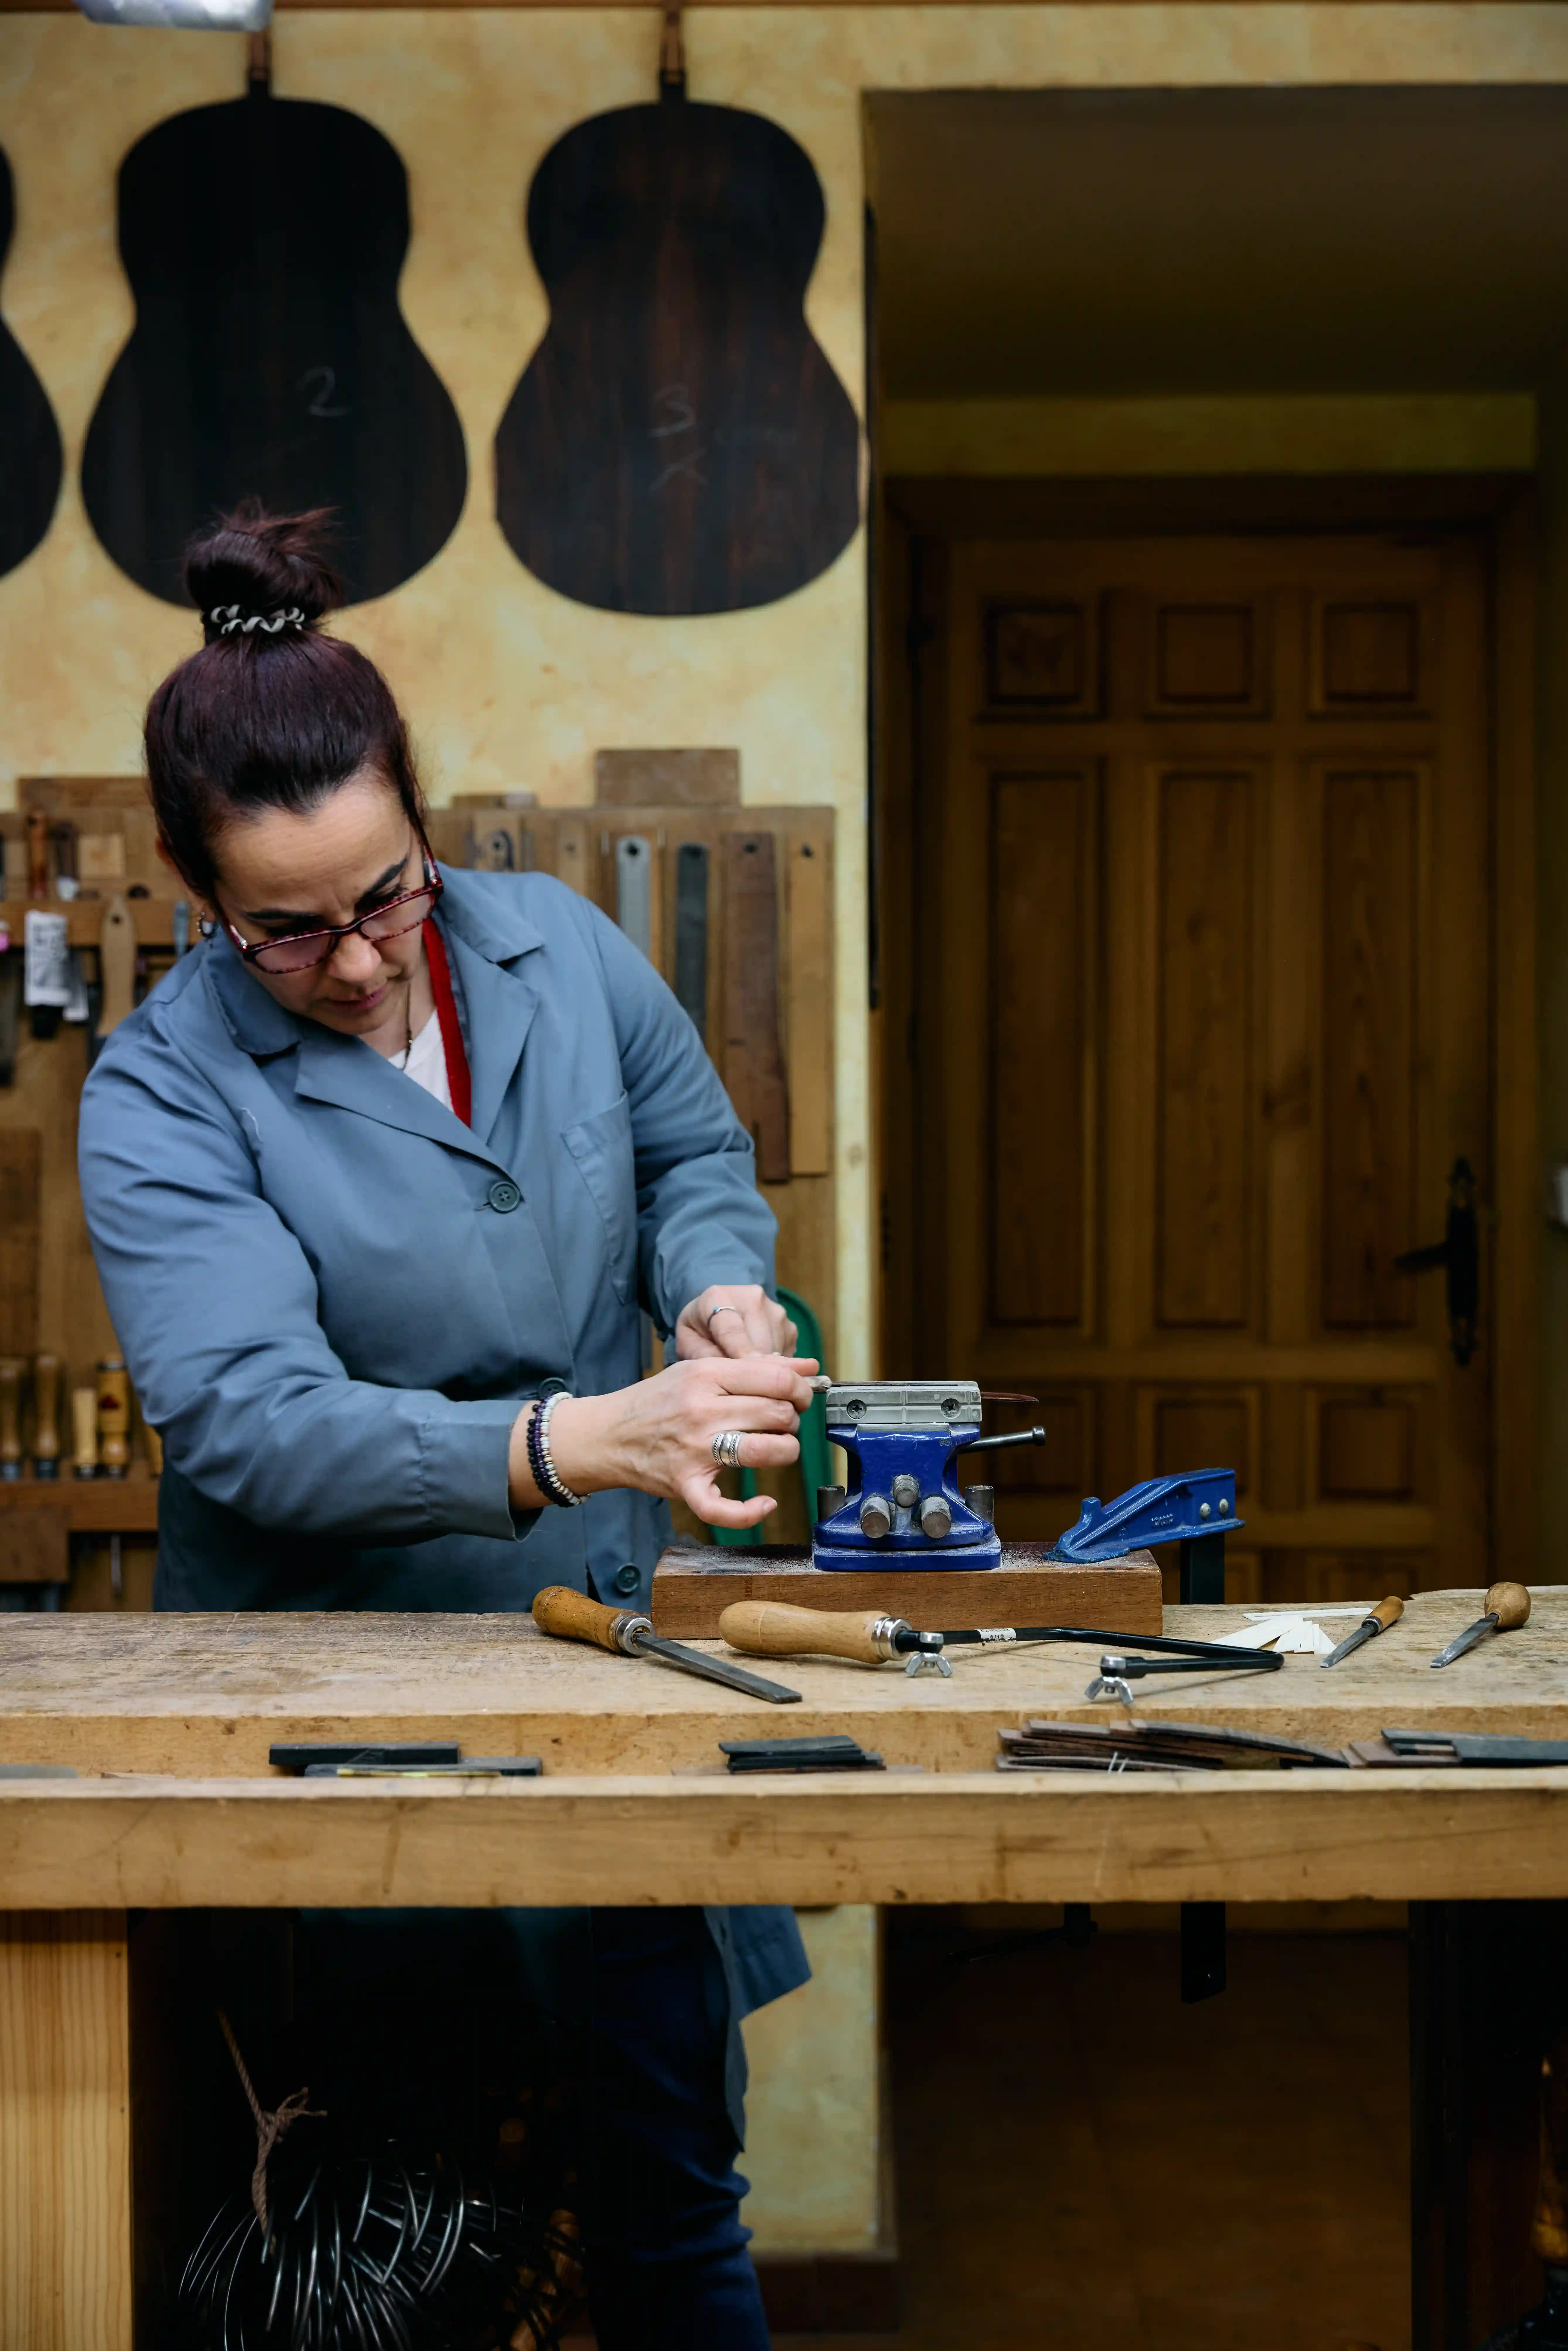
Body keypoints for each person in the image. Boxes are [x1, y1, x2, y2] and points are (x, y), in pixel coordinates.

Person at [78, 504, 816, 2349]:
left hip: (618, 1690)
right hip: (349, 1743)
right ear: (189, 885)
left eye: (386, 894)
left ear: (423, 812)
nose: (357, 960)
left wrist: (716, 1283)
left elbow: (692, 1155)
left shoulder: (559, 946)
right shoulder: (161, 1090)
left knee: (671, 2205)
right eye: (285, 929)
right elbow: (252, 1421)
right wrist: (573, 1442)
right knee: (385, 2258)